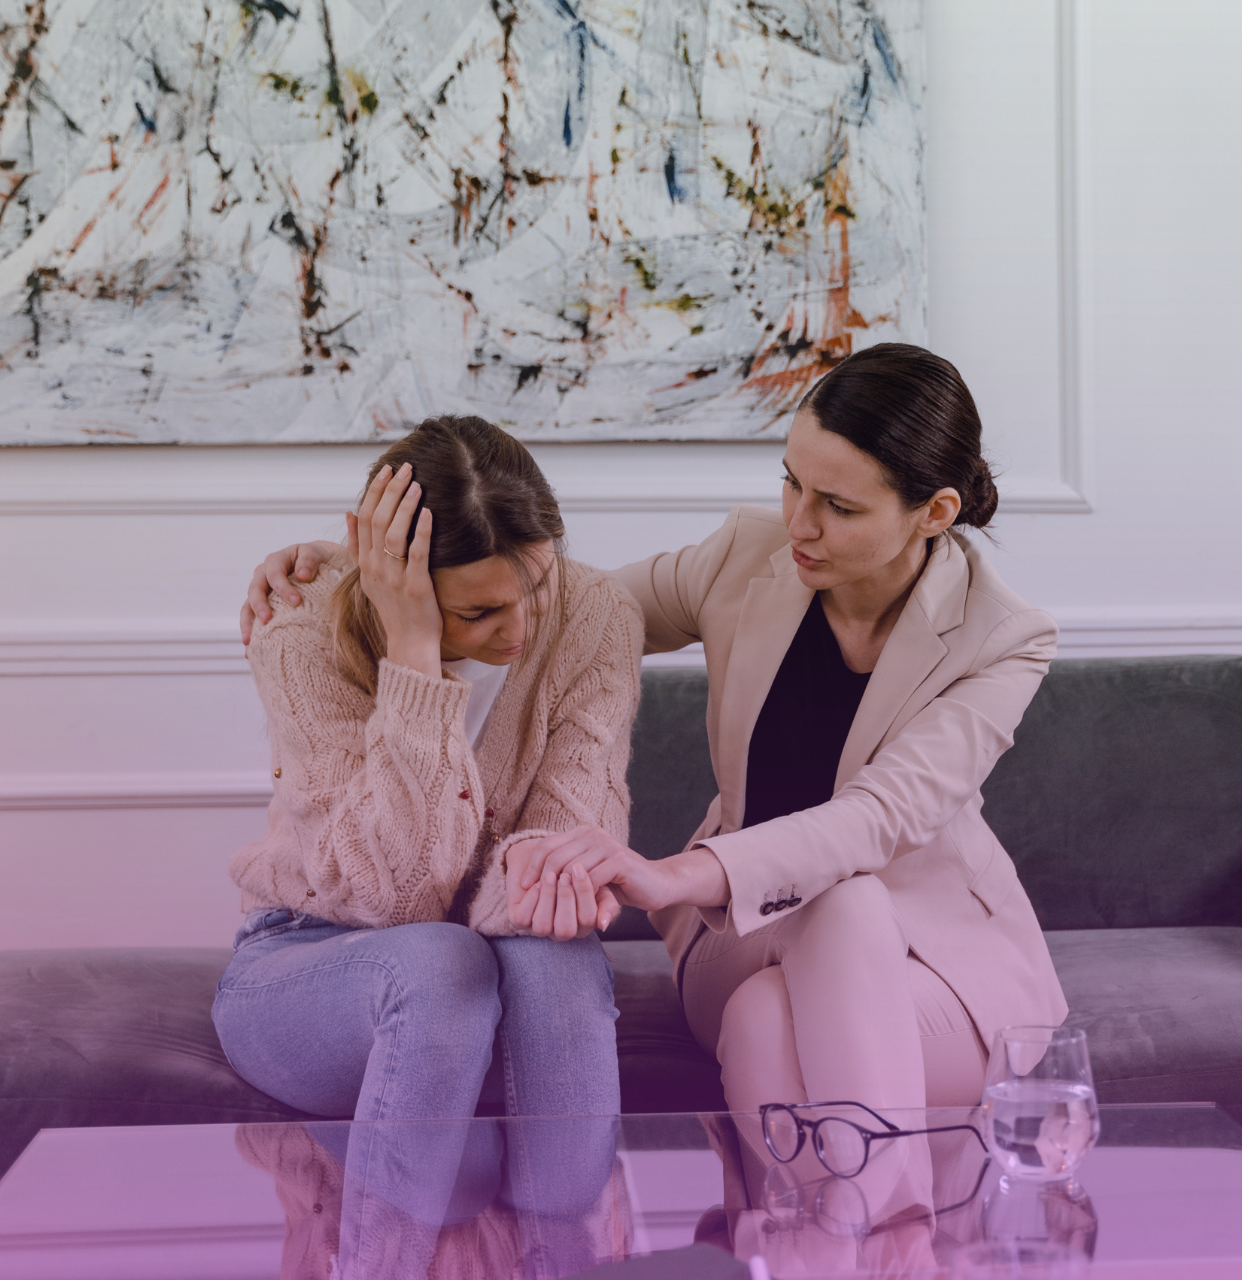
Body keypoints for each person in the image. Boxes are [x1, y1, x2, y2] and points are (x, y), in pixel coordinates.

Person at [241, 346, 1067, 1241]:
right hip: (746, 943)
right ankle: (890, 1235)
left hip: (927, 965)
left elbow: (880, 817)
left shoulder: (1005, 637)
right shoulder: (753, 557)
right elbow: (544, 601)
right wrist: (369, 566)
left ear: (933, 513)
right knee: (772, 984)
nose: (801, 523)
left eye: (838, 505)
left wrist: (684, 874)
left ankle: (838, 1235)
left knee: (829, 930)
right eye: (793, 483)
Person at [216, 415, 642, 1278]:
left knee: (552, 951)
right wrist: (412, 659)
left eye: (537, 586)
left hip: (505, 966)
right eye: (478, 610)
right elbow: (392, 900)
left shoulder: (596, 614)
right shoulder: (301, 634)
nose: (519, 629)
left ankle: (573, 1263)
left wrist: (539, 872)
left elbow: (557, 874)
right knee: (440, 962)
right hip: (314, 960)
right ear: (392, 576)